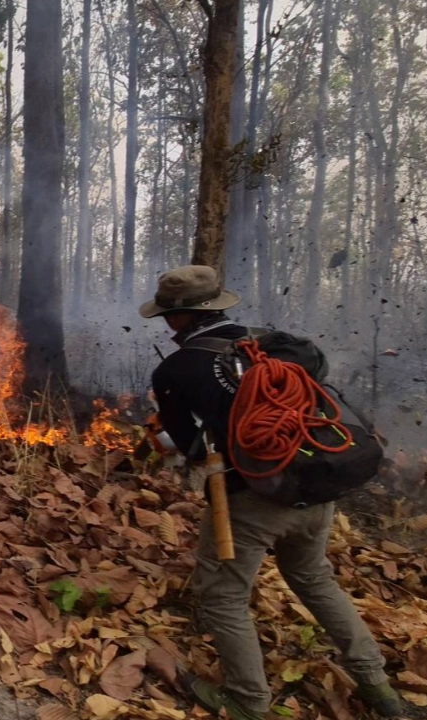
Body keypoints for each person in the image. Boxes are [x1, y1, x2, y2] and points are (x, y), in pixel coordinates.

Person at [141, 265, 401, 720]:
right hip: (317, 482)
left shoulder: (176, 368)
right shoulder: (276, 343)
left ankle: (248, 701)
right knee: (315, 578)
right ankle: (380, 689)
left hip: (254, 497)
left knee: (222, 595)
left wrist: (169, 441)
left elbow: (189, 449)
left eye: (167, 315)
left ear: (179, 317)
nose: (166, 323)